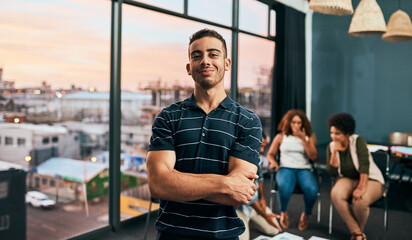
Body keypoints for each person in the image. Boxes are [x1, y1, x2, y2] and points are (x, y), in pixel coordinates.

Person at [146, 29, 263, 240]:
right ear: (189, 68)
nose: (205, 61)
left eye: (213, 54)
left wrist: (177, 181)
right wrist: (226, 183)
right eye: (197, 56)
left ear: (226, 63)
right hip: (171, 235)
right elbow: (158, 185)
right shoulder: (168, 117)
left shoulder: (247, 121)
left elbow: (239, 195)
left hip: (223, 235)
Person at [326, 113, 384, 240]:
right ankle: (358, 233)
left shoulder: (357, 141)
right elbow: (331, 172)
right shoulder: (331, 146)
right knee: (336, 194)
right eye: (332, 133)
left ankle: (357, 232)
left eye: (337, 133)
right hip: (348, 178)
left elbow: (364, 165)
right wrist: (334, 152)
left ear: (347, 133)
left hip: (370, 178)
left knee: (360, 201)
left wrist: (361, 187)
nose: (333, 137)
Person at [266, 109, 318, 231]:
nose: (296, 125)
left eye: (299, 123)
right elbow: (270, 154)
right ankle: (284, 212)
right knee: (283, 187)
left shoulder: (309, 137)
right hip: (285, 167)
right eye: (294, 122)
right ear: (289, 123)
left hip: (304, 168)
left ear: (303, 124)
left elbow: (314, 157)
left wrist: (303, 139)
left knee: (312, 189)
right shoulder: (281, 137)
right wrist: (273, 162)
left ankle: (306, 214)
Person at [236, 132, 282, 240]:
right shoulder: (242, 161)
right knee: (243, 239)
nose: (262, 150)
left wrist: (263, 200)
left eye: (264, 147)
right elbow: (249, 198)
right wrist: (265, 215)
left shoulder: (258, 159)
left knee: (274, 230)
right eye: (260, 146)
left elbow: (260, 178)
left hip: (254, 206)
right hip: (239, 207)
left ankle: (252, 220)